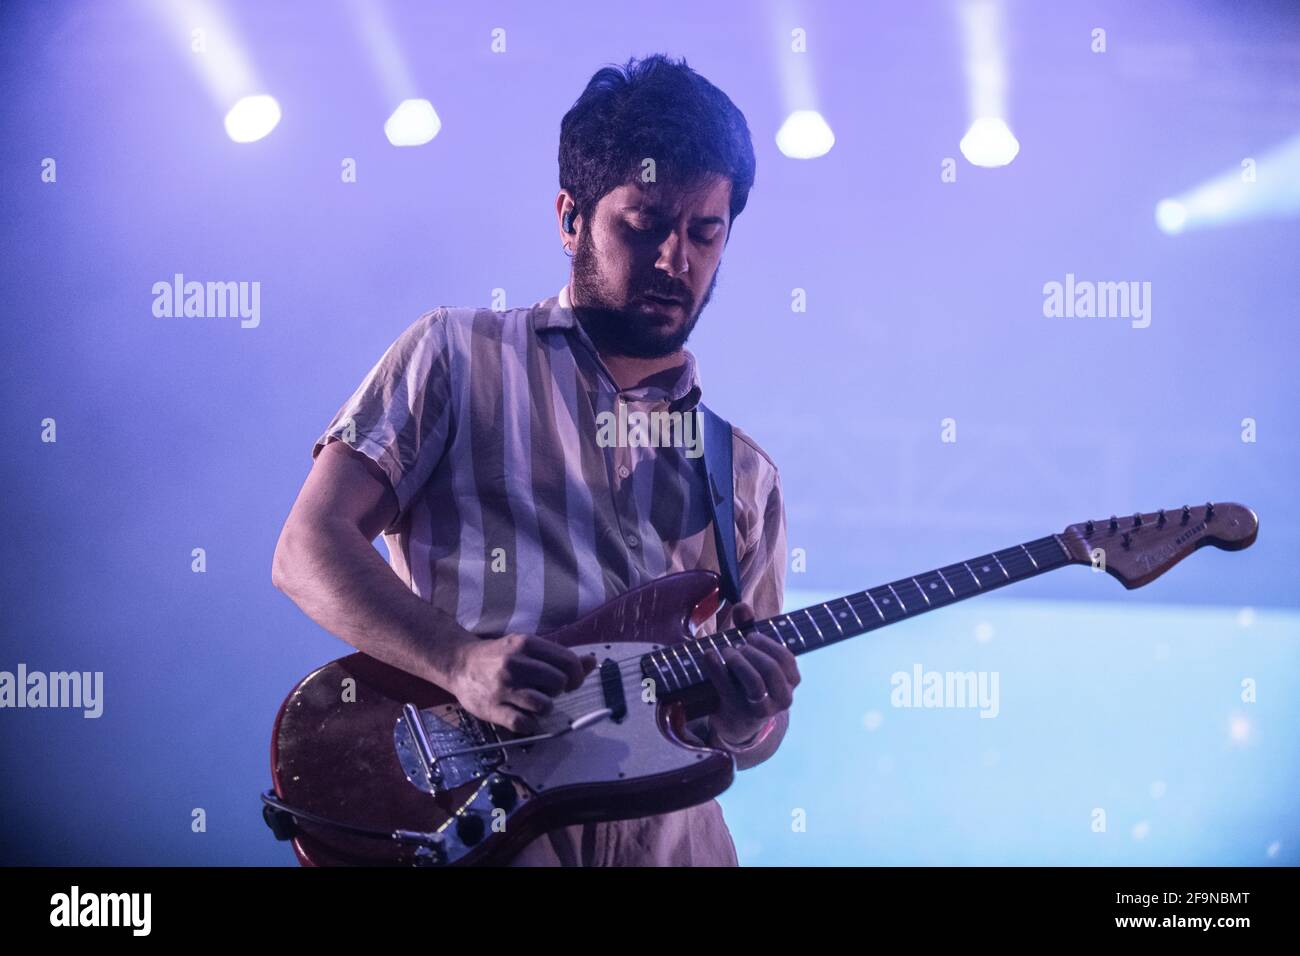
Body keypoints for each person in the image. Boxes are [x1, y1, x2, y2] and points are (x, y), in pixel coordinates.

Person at [271, 53, 799, 866]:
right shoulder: (456, 353)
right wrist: (458, 661)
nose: (675, 260)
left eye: (705, 231)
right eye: (645, 222)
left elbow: (753, 737)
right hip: (483, 829)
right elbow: (307, 549)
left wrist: (749, 714)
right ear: (570, 218)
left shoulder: (745, 474)